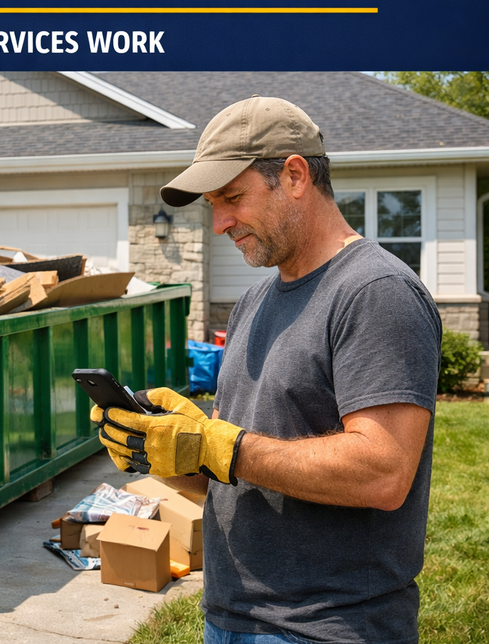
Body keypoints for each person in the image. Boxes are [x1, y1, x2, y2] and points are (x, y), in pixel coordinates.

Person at [93, 95, 441, 644]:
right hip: (231, 618)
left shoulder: (375, 292)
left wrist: (221, 445)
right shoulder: (255, 301)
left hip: (328, 627)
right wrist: (167, 451)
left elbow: (384, 471)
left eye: (232, 197)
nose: (219, 223)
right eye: (213, 203)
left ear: (296, 176)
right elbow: (247, 477)